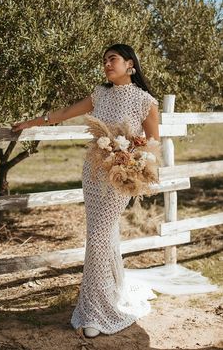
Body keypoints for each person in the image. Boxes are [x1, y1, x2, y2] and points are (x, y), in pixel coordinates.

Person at [11, 43, 160, 338]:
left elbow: (154, 141)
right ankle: (111, 290)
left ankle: (95, 311)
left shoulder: (146, 101)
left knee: (98, 237)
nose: (107, 64)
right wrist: (29, 122)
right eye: (104, 60)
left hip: (122, 176)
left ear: (130, 64)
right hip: (93, 174)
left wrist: (134, 156)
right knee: (101, 234)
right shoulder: (99, 94)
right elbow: (64, 112)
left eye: (112, 59)